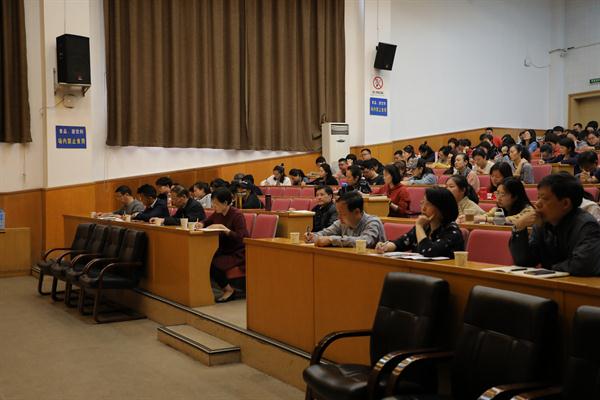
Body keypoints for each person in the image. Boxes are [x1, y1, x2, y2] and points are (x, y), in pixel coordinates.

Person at [509, 173, 600, 276]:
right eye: (538, 198)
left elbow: (582, 265)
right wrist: (519, 228)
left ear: (565, 203)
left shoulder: (587, 226)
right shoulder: (542, 223)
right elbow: (524, 262)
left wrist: (548, 269)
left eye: (544, 199)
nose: (537, 203)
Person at [375, 187, 464, 258]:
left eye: (428, 204)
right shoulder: (425, 226)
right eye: (422, 203)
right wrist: (385, 246)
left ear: (441, 208)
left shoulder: (452, 231)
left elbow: (429, 251)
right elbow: (400, 243)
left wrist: (419, 226)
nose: (423, 208)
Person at [195, 188, 249, 302]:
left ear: (225, 203)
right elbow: (207, 221)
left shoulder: (237, 215)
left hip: (237, 252)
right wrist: (201, 224)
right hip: (223, 249)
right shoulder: (218, 213)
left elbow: (241, 238)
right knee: (203, 259)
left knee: (213, 263)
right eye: (213, 203)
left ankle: (229, 290)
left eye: (216, 203)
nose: (213, 206)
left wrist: (225, 229)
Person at [305, 191, 385, 248]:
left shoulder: (372, 222)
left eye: (343, 214)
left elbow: (365, 241)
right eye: (338, 213)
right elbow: (325, 233)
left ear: (356, 212)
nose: (339, 217)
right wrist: (313, 236)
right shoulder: (341, 222)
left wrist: (332, 240)